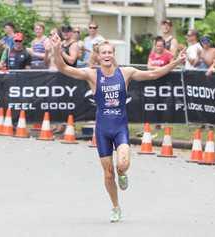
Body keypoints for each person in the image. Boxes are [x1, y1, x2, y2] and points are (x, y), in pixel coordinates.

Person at [51, 34, 186, 223]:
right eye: (103, 52)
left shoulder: (126, 73)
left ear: (114, 54)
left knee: (121, 165)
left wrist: (176, 62)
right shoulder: (92, 74)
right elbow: (63, 68)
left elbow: (153, 74)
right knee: (107, 174)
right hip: (102, 130)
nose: (106, 55)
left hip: (120, 128)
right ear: (98, 56)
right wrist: (56, 49)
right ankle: (115, 207)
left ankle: (122, 173)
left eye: (109, 52)